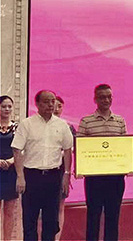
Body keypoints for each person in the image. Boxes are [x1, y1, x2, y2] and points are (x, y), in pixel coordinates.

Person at [12, 90, 73, 241]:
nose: (51, 105)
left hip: (53, 177)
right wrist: (20, 176)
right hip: (32, 176)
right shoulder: (27, 124)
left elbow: (67, 150)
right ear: (37, 104)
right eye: (46, 102)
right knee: (30, 220)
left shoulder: (62, 125)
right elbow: (17, 149)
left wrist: (66, 174)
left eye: (53, 101)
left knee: (51, 222)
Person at [77, 84, 128, 241]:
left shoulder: (120, 121)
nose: (106, 100)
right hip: (94, 179)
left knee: (113, 217)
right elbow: (80, 148)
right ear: (95, 99)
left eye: (109, 97)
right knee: (93, 216)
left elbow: (125, 148)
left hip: (115, 178)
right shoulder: (86, 121)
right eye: (102, 97)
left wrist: (127, 165)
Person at [54, 95, 76, 240]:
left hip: (62, 171)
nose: (56, 109)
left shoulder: (68, 127)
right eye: (53, 105)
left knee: (60, 206)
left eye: (59, 106)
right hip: (42, 172)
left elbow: (75, 148)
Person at [0, 96, 20, 241]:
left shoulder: (17, 128)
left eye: (9, 106)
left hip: (11, 171)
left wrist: (12, 160)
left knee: (10, 211)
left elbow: (22, 149)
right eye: (3, 106)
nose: (7, 109)